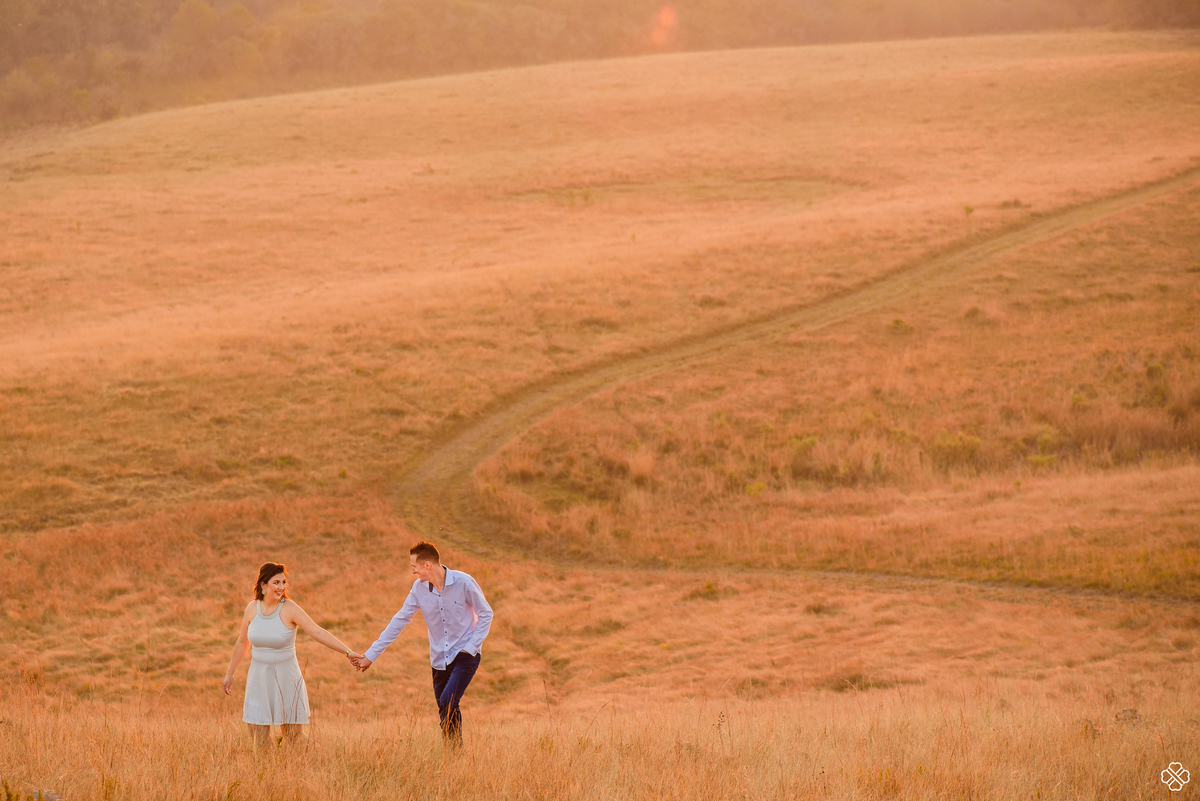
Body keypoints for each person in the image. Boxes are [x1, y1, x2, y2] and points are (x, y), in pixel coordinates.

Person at [351, 541, 493, 746]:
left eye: (414, 567)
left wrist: (470, 648)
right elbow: (399, 621)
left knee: (448, 701)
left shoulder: (464, 582)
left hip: (465, 655)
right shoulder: (418, 590)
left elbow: (486, 614)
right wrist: (370, 655)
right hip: (438, 659)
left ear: (427, 565)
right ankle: (452, 755)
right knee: (444, 710)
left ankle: (456, 752)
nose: (413, 572)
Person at [223, 562, 360, 749]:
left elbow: (317, 632)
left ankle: (319, 760)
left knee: (293, 735)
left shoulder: (290, 608)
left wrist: (347, 652)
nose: (281, 587)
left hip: (286, 677)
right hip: (259, 678)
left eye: (283, 582)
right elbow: (242, 642)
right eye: (276, 582)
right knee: (257, 732)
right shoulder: (252, 608)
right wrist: (230, 673)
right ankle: (271, 773)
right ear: (263, 585)